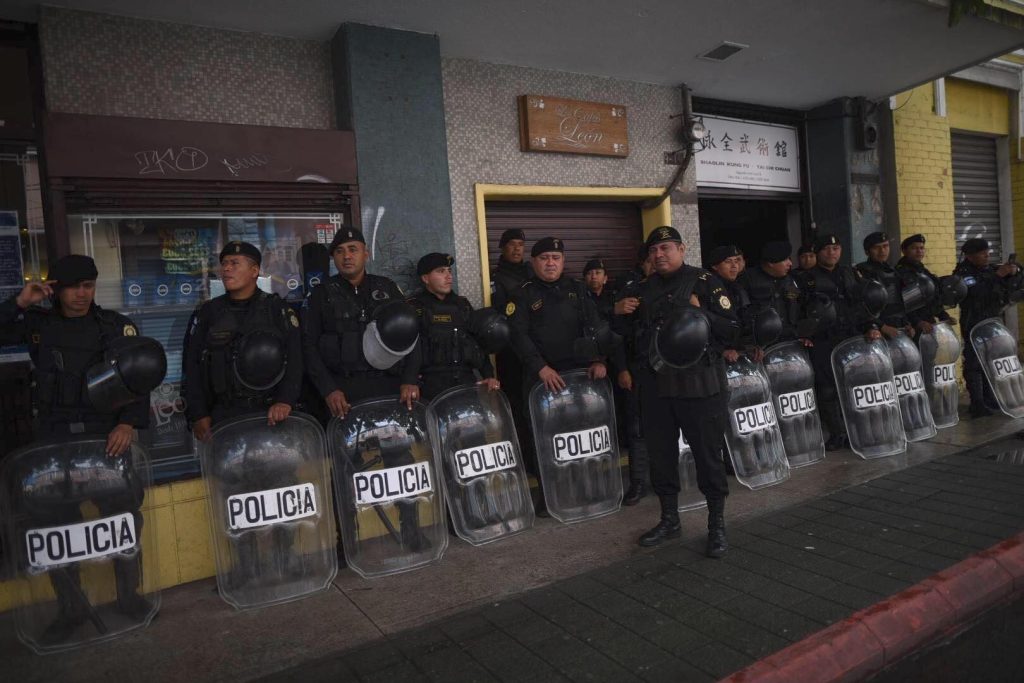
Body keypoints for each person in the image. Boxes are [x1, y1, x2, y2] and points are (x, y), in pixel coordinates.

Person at [0, 255, 154, 643]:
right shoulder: (37, 325)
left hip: (105, 439)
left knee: (123, 520)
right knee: (55, 526)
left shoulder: (114, 326)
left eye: (88, 285)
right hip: (53, 442)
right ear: (55, 288)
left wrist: (127, 423)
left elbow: (139, 378)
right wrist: (20, 302)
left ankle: (128, 597)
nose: (82, 294)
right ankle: (71, 609)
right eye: (73, 287)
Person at [614, 226, 739, 558]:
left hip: (699, 386)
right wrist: (617, 314)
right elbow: (622, 337)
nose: (659, 255)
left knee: (708, 457)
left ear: (682, 249)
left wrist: (703, 313)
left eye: (666, 248)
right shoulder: (640, 289)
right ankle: (670, 520)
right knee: (661, 458)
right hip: (656, 388)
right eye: (654, 250)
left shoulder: (705, 282)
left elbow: (733, 329)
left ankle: (716, 525)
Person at [507, 237, 623, 479]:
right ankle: (551, 496)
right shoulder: (522, 293)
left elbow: (595, 326)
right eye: (544, 258)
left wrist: (599, 359)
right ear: (534, 262)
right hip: (542, 378)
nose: (550, 263)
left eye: (556, 258)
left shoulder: (577, 289)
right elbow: (518, 336)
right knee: (545, 437)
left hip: (579, 375)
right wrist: (540, 368)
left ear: (563, 261)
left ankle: (584, 485)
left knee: (580, 432)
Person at [183, 241, 303, 438]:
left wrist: (285, 400)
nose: (226, 269)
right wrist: (198, 414)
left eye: (235, 263)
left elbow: (296, 359)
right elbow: (192, 365)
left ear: (254, 270)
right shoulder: (208, 313)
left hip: (271, 413)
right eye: (224, 264)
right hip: (223, 414)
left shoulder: (276, 309)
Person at [301, 228, 418, 416]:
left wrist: (410, 379)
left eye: (353, 249)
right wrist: (328, 389)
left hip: (390, 386)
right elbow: (309, 346)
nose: (346, 256)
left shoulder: (387, 288)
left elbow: (411, 335)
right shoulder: (321, 294)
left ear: (366, 254)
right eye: (339, 251)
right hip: (342, 392)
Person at [795, 234, 880, 450]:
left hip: (851, 337)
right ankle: (837, 433)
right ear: (818, 252)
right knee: (827, 389)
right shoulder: (807, 279)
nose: (832, 253)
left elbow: (863, 303)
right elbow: (798, 311)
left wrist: (871, 326)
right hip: (823, 340)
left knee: (854, 384)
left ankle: (857, 430)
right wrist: (803, 333)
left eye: (836, 248)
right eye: (827, 249)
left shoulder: (850, 274)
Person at [405, 252, 501, 402]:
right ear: (425, 278)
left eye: (449, 271)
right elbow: (408, 348)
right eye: (441, 271)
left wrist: (489, 376)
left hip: (465, 382)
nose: (449, 276)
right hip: (430, 386)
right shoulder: (415, 307)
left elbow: (478, 342)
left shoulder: (462, 305)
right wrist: (409, 381)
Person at [954, 238, 1021, 417]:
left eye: (987, 251)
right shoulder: (962, 273)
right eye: (982, 253)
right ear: (969, 255)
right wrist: (998, 275)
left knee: (993, 362)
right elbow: (975, 293)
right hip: (973, 323)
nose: (987, 255)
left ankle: (993, 399)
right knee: (975, 364)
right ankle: (977, 403)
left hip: (993, 322)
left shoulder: (988, 269)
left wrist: (1014, 271)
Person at [614, 247, 655, 505]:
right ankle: (639, 482)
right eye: (651, 260)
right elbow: (618, 336)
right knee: (638, 429)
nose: (656, 263)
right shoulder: (632, 291)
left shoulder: (681, 287)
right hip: (638, 370)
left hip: (670, 372)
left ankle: (666, 479)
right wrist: (622, 368)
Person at [490, 228, 533, 455]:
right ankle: (524, 458)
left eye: (520, 244)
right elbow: (501, 316)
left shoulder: (531, 271)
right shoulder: (498, 279)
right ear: (502, 247)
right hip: (512, 354)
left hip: (536, 352)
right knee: (517, 407)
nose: (517, 249)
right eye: (512, 244)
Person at [740, 241, 804, 350]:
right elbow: (741, 314)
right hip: (762, 346)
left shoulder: (790, 280)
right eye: (785, 260)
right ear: (771, 263)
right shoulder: (748, 280)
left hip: (788, 343)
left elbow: (797, 307)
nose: (790, 263)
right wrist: (750, 343)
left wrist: (802, 335)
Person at [855, 232, 912, 339]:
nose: (882, 251)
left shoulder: (893, 271)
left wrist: (907, 323)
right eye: (877, 248)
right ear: (867, 251)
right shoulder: (861, 272)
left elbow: (899, 301)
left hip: (898, 328)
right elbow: (859, 306)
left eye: (885, 246)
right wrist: (881, 326)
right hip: (875, 330)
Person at [896, 234, 954, 337]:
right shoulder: (901, 272)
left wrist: (943, 315)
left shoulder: (923, 271)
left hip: (929, 324)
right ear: (904, 251)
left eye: (921, 248)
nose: (919, 251)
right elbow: (904, 304)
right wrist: (917, 322)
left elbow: (932, 298)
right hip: (911, 327)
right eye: (914, 248)